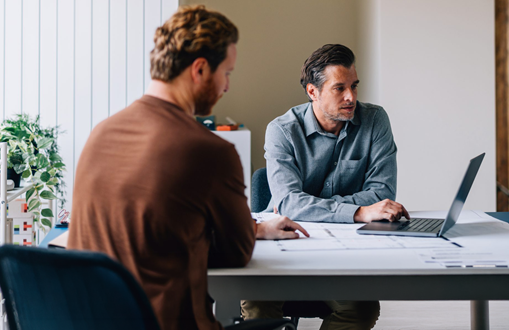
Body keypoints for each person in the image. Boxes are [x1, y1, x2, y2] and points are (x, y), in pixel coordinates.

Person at [68, 5, 307, 330]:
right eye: (227, 73)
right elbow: (236, 253)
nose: (227, 86)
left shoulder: (101, 133)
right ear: (199, 69)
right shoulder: (210, 151)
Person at [243, 44, 405, 330]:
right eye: (339, 88)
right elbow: (290, 203)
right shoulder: (281, 130)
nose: (351, 97)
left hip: (347, 248)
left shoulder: (375, 120)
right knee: (258, 305)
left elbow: (381, 193)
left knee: (361, 309)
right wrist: (358, 211)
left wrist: (322, 207)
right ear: (312, 92)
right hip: (287, 241)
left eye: (354, 86)